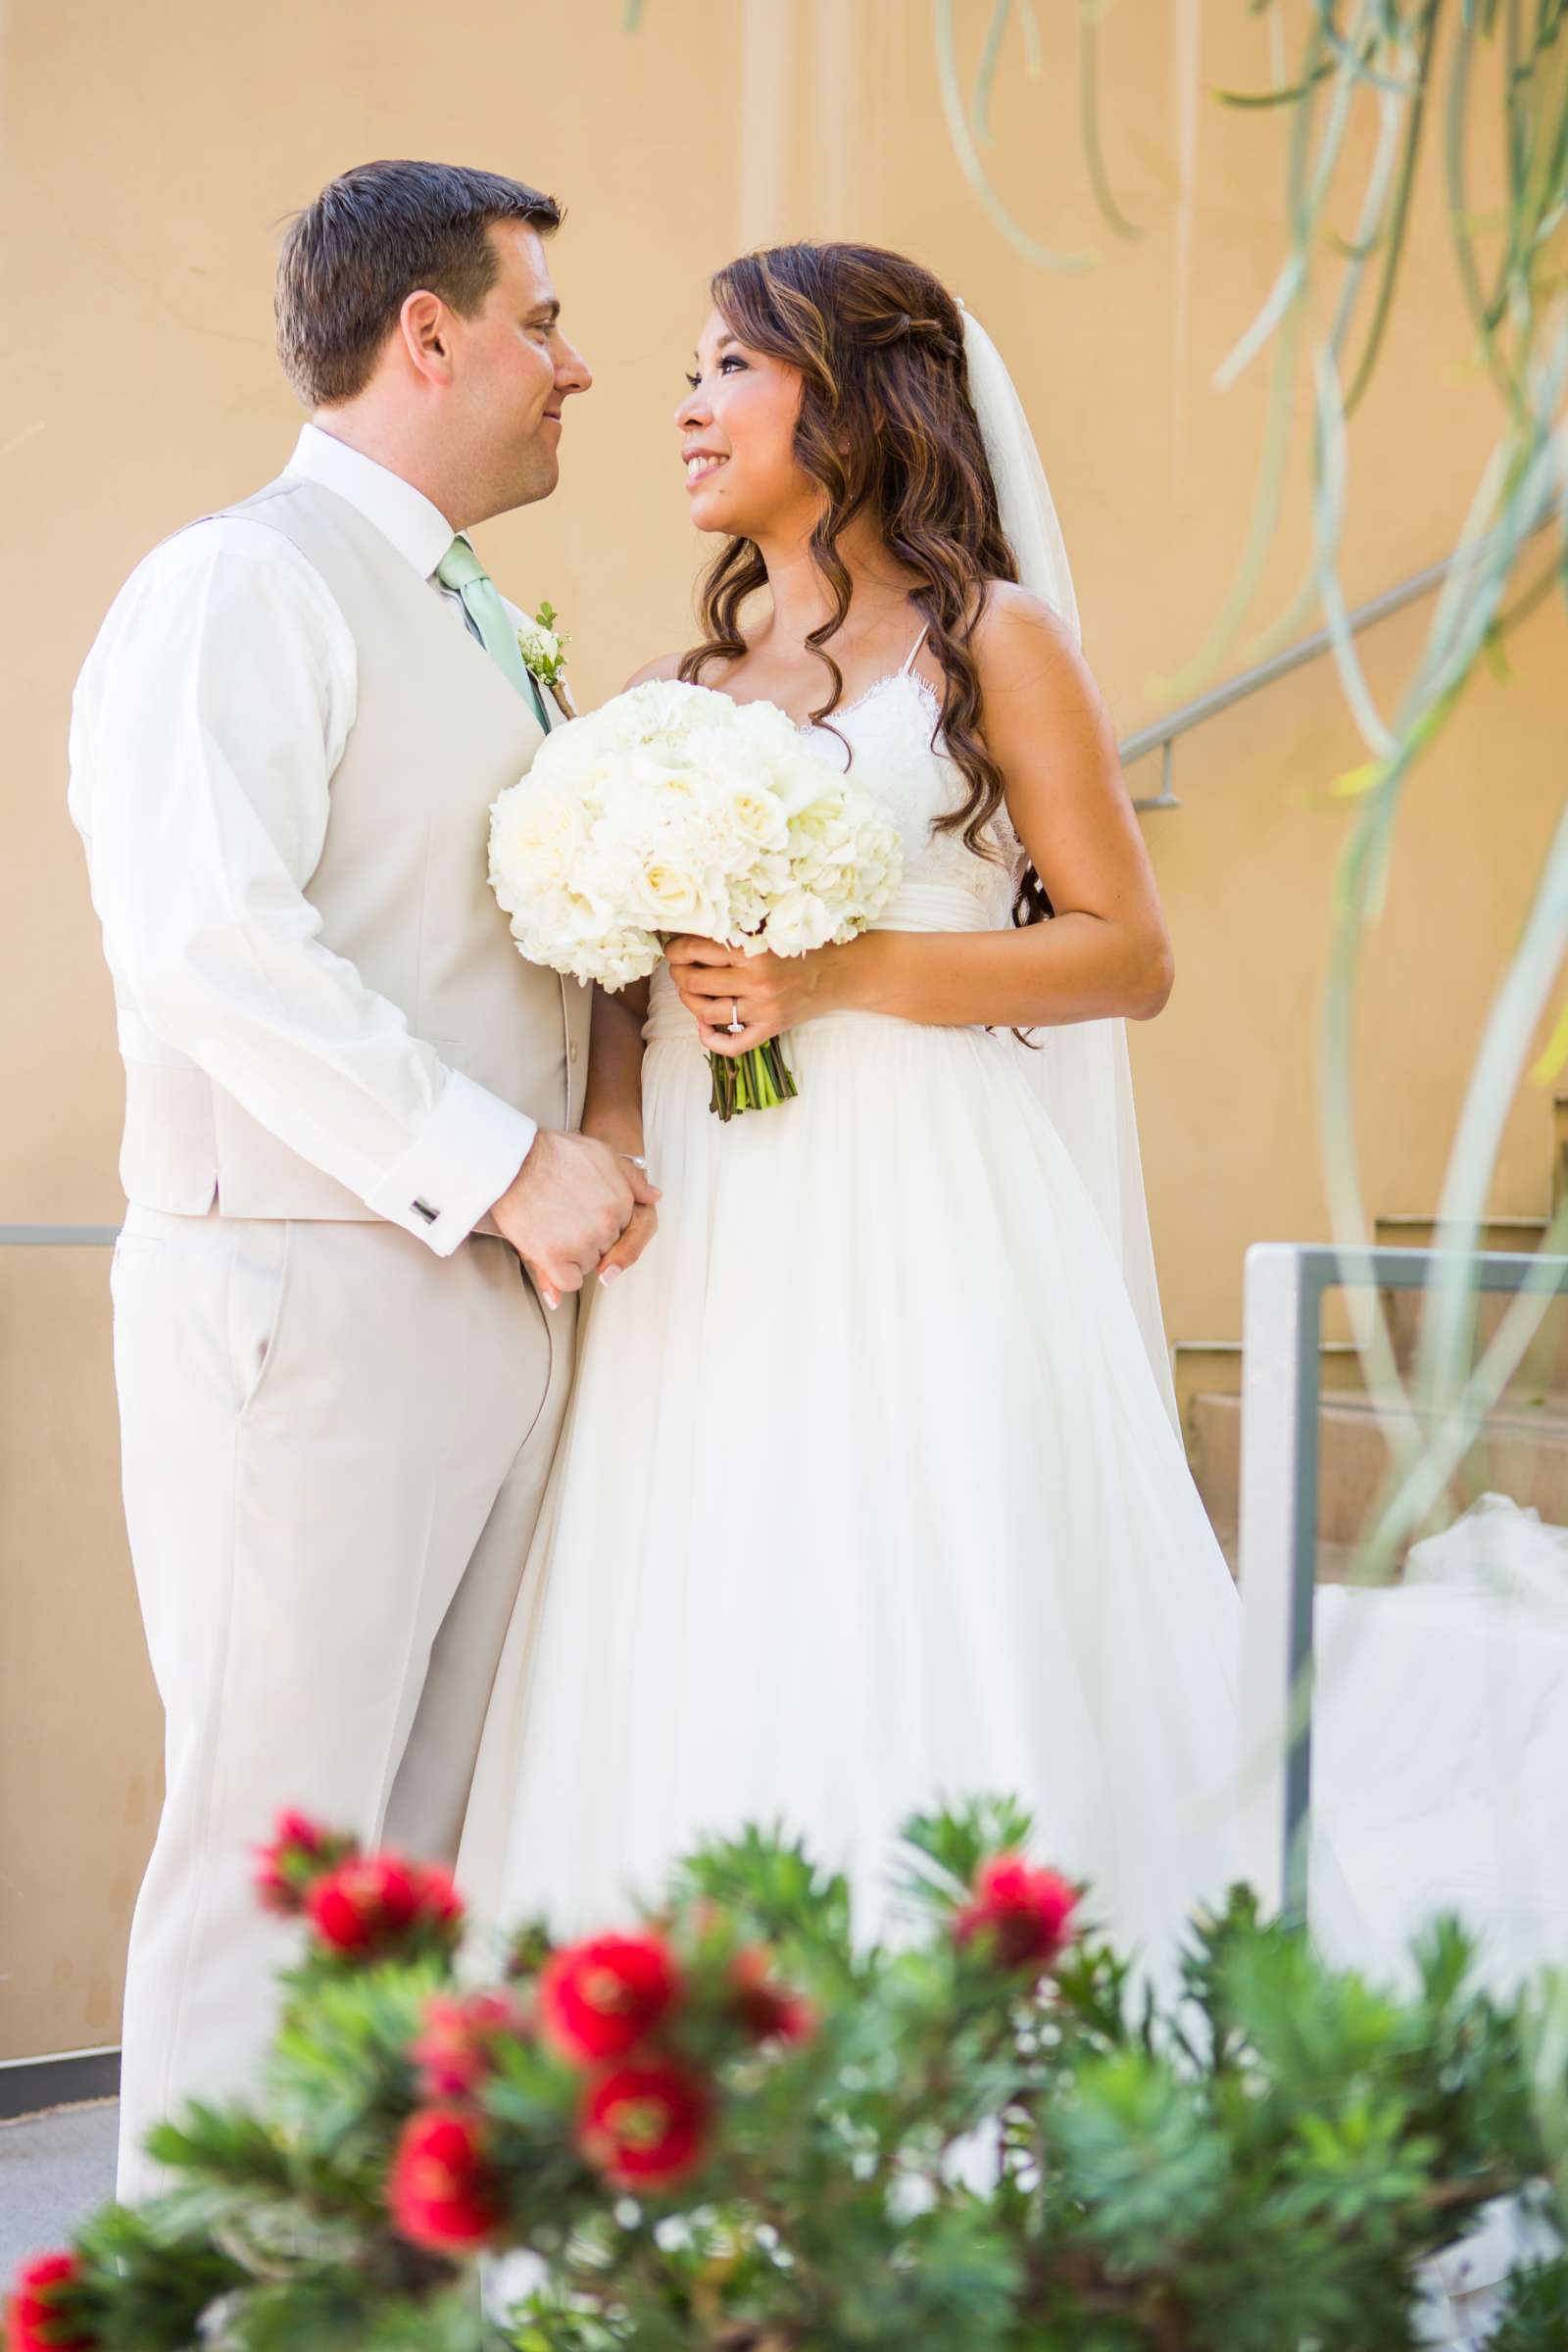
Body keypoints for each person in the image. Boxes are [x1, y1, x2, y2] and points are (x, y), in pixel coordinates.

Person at [457, 240, 1245, 1970]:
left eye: (729, 365)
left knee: (910, 1579)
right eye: (688, 366)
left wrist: (839, 975)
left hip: (916, 1203)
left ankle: (968, 2018)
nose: (682, 403)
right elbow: (618, 978)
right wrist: (614, 1129)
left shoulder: (993, 644)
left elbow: (1127, 954)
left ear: (859, 395)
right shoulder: (682, 695)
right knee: (714, 1598)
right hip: (710, 1234)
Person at [67, 159, 657, 2202]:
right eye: (543, 324)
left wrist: (600, 1135)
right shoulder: (237, 582)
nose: (578, 370)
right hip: (301, 1303)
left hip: (487, 1300)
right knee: (277, 1847)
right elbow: (209, 944)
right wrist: (508, 1168)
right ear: (426, 334)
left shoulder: (480, 614)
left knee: (413, 1864)